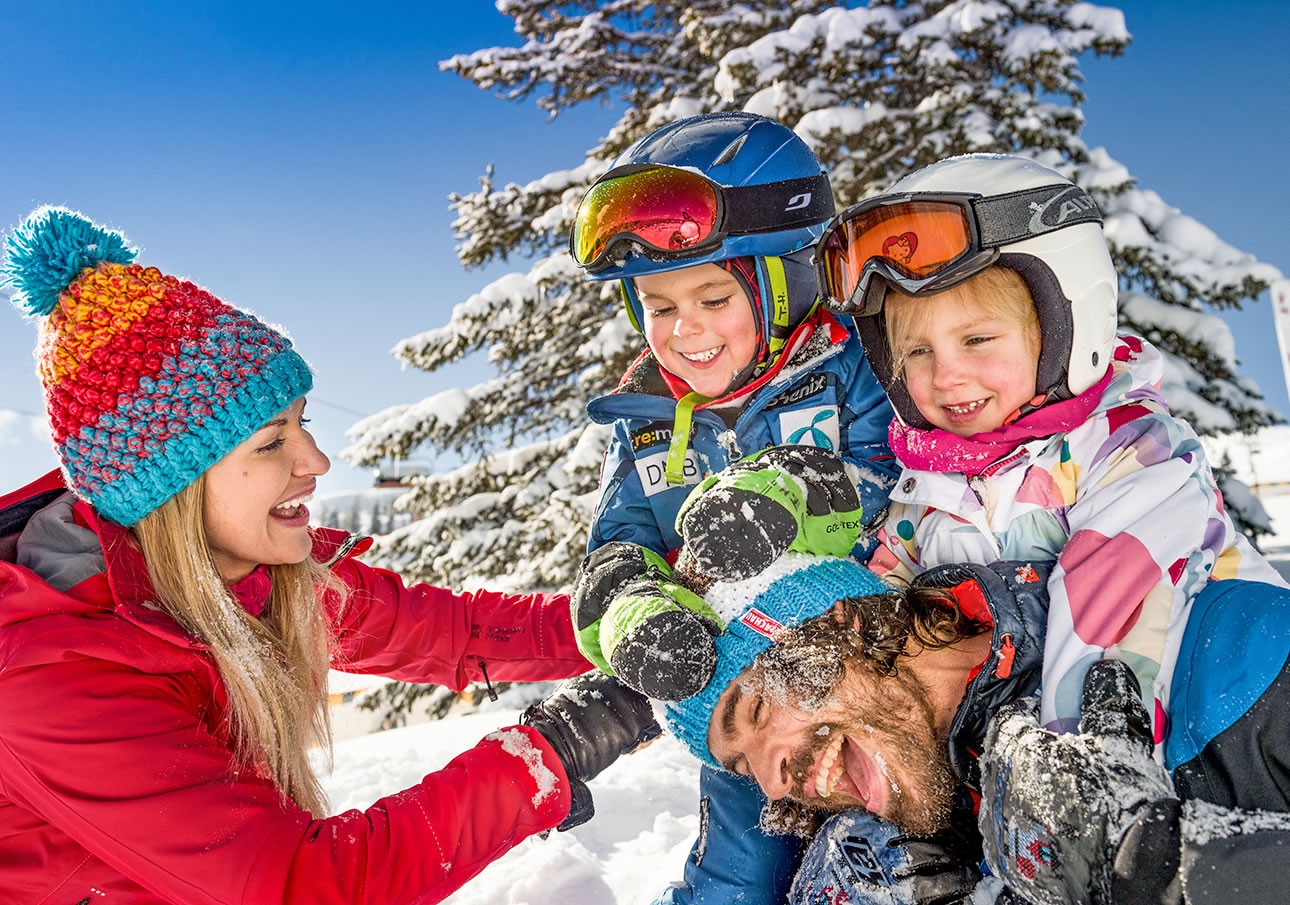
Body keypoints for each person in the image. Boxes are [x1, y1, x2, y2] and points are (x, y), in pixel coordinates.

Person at [0, 207, 658, 905]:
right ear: (172, 485)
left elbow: (456, 632)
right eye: (269, 440)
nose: (315, 459)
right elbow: (307, 886)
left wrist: (635, 619)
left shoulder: (255, 574)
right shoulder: (53, 678)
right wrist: (551, 750)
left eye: (302, 421)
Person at [566, 112, 901, 905]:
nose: (685, 331)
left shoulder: (847, 367)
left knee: (893, 850)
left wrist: (791, 495)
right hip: (745, 711)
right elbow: (617, 549)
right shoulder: (642, 419)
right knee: (737, 875)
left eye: (713, 296)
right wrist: (632, 610)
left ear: (783, 279)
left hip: (861, 678)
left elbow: (895, 483)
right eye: (656, 304)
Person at [659, 546, 1290, 904]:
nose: (774, 782)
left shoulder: (1230, 649)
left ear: (845, 622)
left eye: (759, 709)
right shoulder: (931, 853)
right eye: (743, 766)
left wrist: (1156, 864)